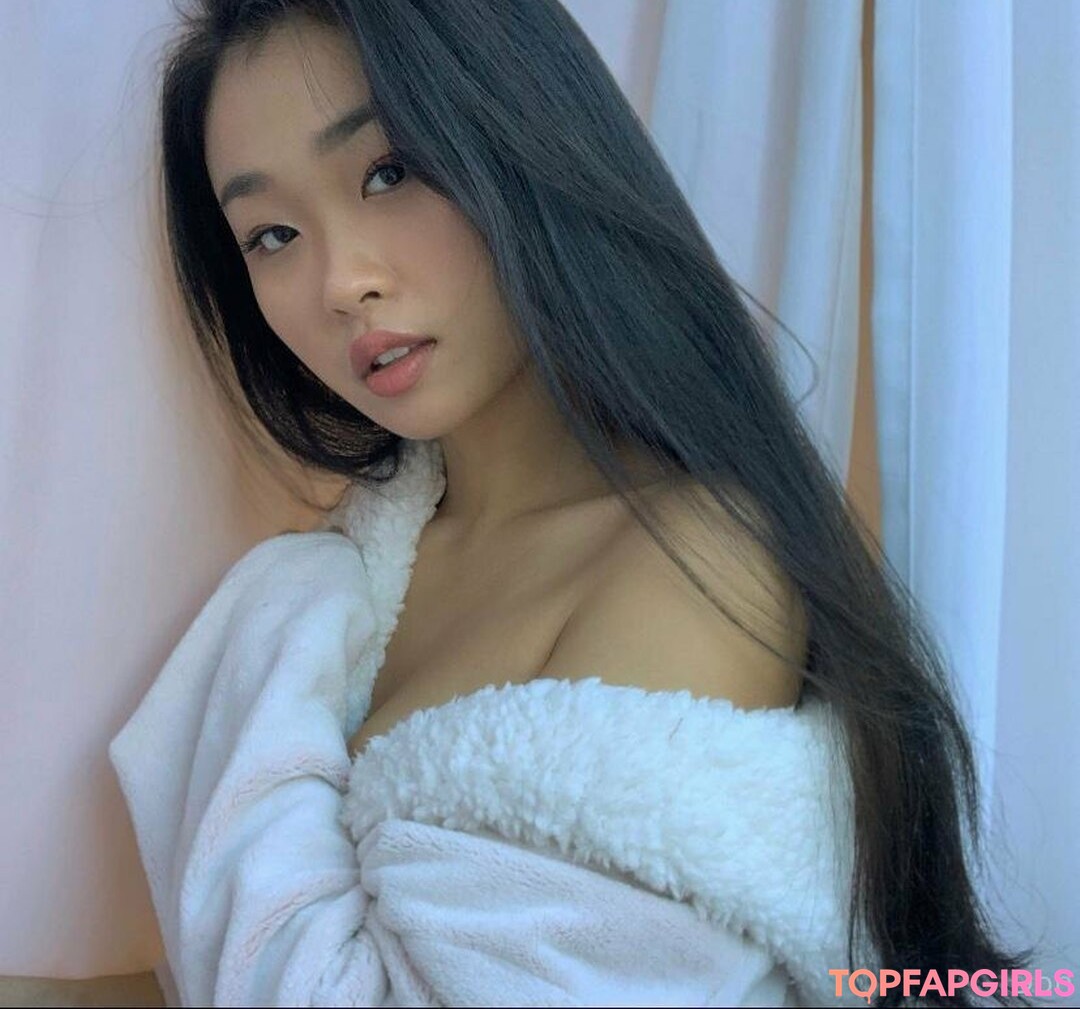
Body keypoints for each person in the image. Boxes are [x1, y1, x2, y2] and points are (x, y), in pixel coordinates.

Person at [108, 0, 1035, 1005]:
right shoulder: (359, 564)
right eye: (273, 234)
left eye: (388, 171)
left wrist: (277, 633)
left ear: (524, 134)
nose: (340, 281)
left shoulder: (697, 565)